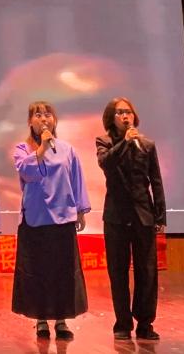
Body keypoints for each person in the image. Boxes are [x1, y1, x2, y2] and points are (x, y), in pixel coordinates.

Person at [11, 101, 90, 341]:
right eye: (38, 115)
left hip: (63, 218)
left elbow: (76, 179)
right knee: (38, 271)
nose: (43, 119)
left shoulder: (67, 150)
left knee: (62, 271)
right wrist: (42, 149)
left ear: (54, 120)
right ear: (30, 122)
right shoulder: (23, 149)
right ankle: (41, 319)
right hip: (35, 219)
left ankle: (61, 319)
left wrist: (80, 210)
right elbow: (26, 172)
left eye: (48, 115)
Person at [96, 97, 166, 341]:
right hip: (116, 216)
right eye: (120, 112)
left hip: (143, 215)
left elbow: (156, 181)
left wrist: (160, 215)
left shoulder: (147, 145)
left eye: (128, 112)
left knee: (147, 272)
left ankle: (145, 323)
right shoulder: (104, 142)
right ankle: (122, 323)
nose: (125, 116)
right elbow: (106, 164)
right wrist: (125, 143)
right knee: (118, 272)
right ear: (111, 118)